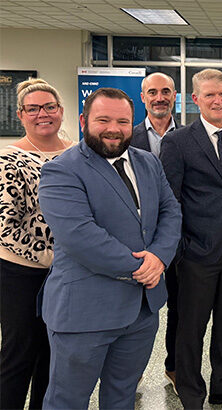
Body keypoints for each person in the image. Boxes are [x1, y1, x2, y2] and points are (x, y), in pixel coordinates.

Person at [38, 87, 182, 409]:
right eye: (103, 120)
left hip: (141, 311)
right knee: (67, 401)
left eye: (122, 121)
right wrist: (144, 267)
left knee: (122, 396)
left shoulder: (148, 162)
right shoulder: (61, 170)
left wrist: (160, 257)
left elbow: (171, 211)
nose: (113, 129)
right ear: (83, 121)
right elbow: (80, 236)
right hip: (84, 312)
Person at [160, 68, 222, 410]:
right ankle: (191, 394)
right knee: (191, 327)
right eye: (210, 94)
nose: (217, 100)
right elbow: (170, 200)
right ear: (195, 99)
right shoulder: (178, 142)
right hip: (196, 252)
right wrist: (180, 248)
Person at [0, 78, 73, 410]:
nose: (43, 114)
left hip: (68, 274)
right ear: (20, 114)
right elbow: (5, 228)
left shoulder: (77, 153)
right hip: (22, 274)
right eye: (33, 109)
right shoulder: (9, 159)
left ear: (60, 110)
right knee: (19, 354)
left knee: (54, 356)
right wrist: (52, 257)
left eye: (49, 107)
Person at [132, 71, 182, 391]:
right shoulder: (127, 136)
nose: (159, 97)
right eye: (153, 92)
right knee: (136, 308)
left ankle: (174, 368)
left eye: (166, 91)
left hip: (179, 239)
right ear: (143, 97)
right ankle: (132, 371)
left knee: (181, 307)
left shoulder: (190, 136)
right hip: (136, 240)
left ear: (174, 95)